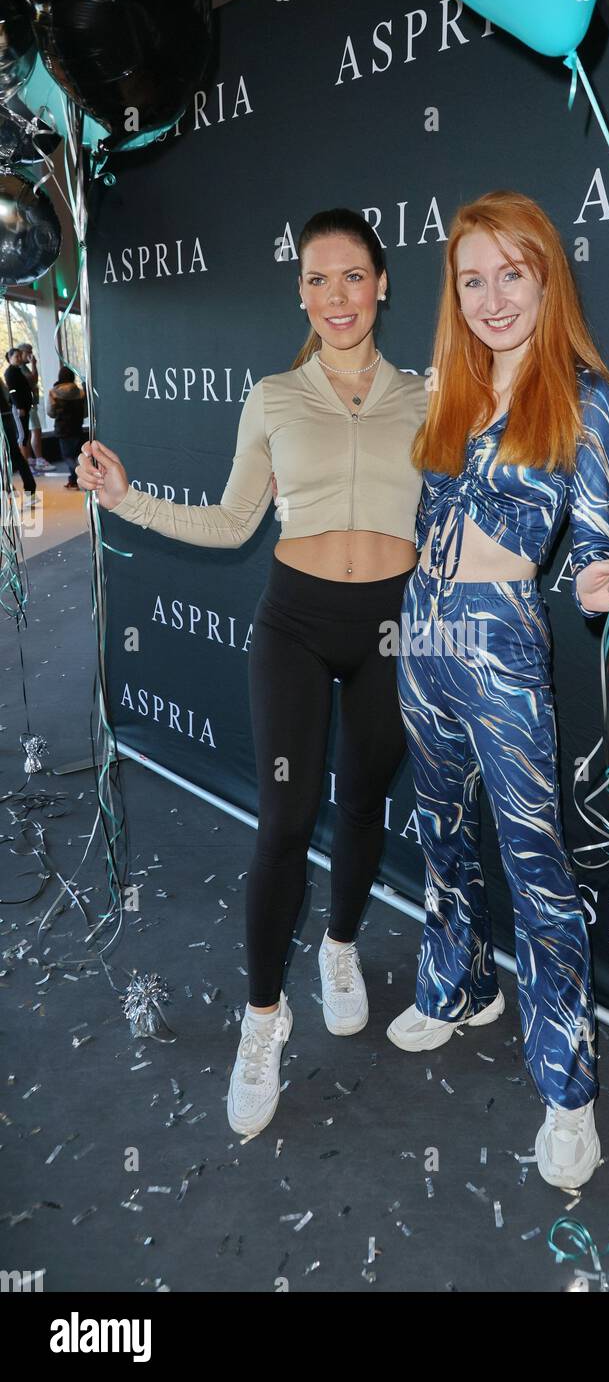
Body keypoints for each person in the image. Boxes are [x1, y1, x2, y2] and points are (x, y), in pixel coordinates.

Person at [75, 208, 428, 1138]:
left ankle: (340, 951)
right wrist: (125, 499)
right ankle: (263, 1021)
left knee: (363, 805)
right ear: (299, 291)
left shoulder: (427, 399)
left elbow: (458, 526)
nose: (336, 297)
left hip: (393, 626)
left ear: (382, 283)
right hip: (296, 625)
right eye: (317, 279)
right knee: (285, 815)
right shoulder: (273, 396)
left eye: (352, 276)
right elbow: (233, 523)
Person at [387, 191, 609, 1192]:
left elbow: (585, 547)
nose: (492, 297)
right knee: (440, 831)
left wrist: (594, 584)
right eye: (472, 278)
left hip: (497, 646)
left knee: (535, 864)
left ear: (545, 276)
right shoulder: (448, 386)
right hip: (421, 634)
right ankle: (458, 983)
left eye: (511, 273)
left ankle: (566, 1085)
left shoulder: (583, 397)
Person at [47, 365, 86, 488]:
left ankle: (81, 474)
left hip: (63, 429)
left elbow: (51, 413)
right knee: (75, 455)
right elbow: (85, 413)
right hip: (77, 427)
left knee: (67, 456)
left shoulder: (54, 392)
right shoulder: (80, 392)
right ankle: (73, 481)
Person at [0, 370, 37, 500]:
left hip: (3, 420)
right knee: (16, 455)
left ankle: (9, 491)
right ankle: (29, 492)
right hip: (6, 418)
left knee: (8, 458)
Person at [4, 346, 33, 463]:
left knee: (25, 434)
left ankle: (27, 462)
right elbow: (13, 391)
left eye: (20, 356)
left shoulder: (17, 370)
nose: (19, 358)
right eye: (16, 356)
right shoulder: (10, 372)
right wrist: (20, 407)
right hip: (19, 407)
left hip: (25, 406)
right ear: (10, 358)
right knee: (22, 436)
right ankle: (23, 463)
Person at [19, 343, 44, 467]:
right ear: (21, 353)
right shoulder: (20, 368)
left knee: (29, 432)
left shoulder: (24, 367)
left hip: (29, 403)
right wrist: (34, 364)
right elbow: (33, 380)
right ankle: (38, 459)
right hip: (28, 405)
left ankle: (31, 459)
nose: (30, 355)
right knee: (36, 430)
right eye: (28, 352)